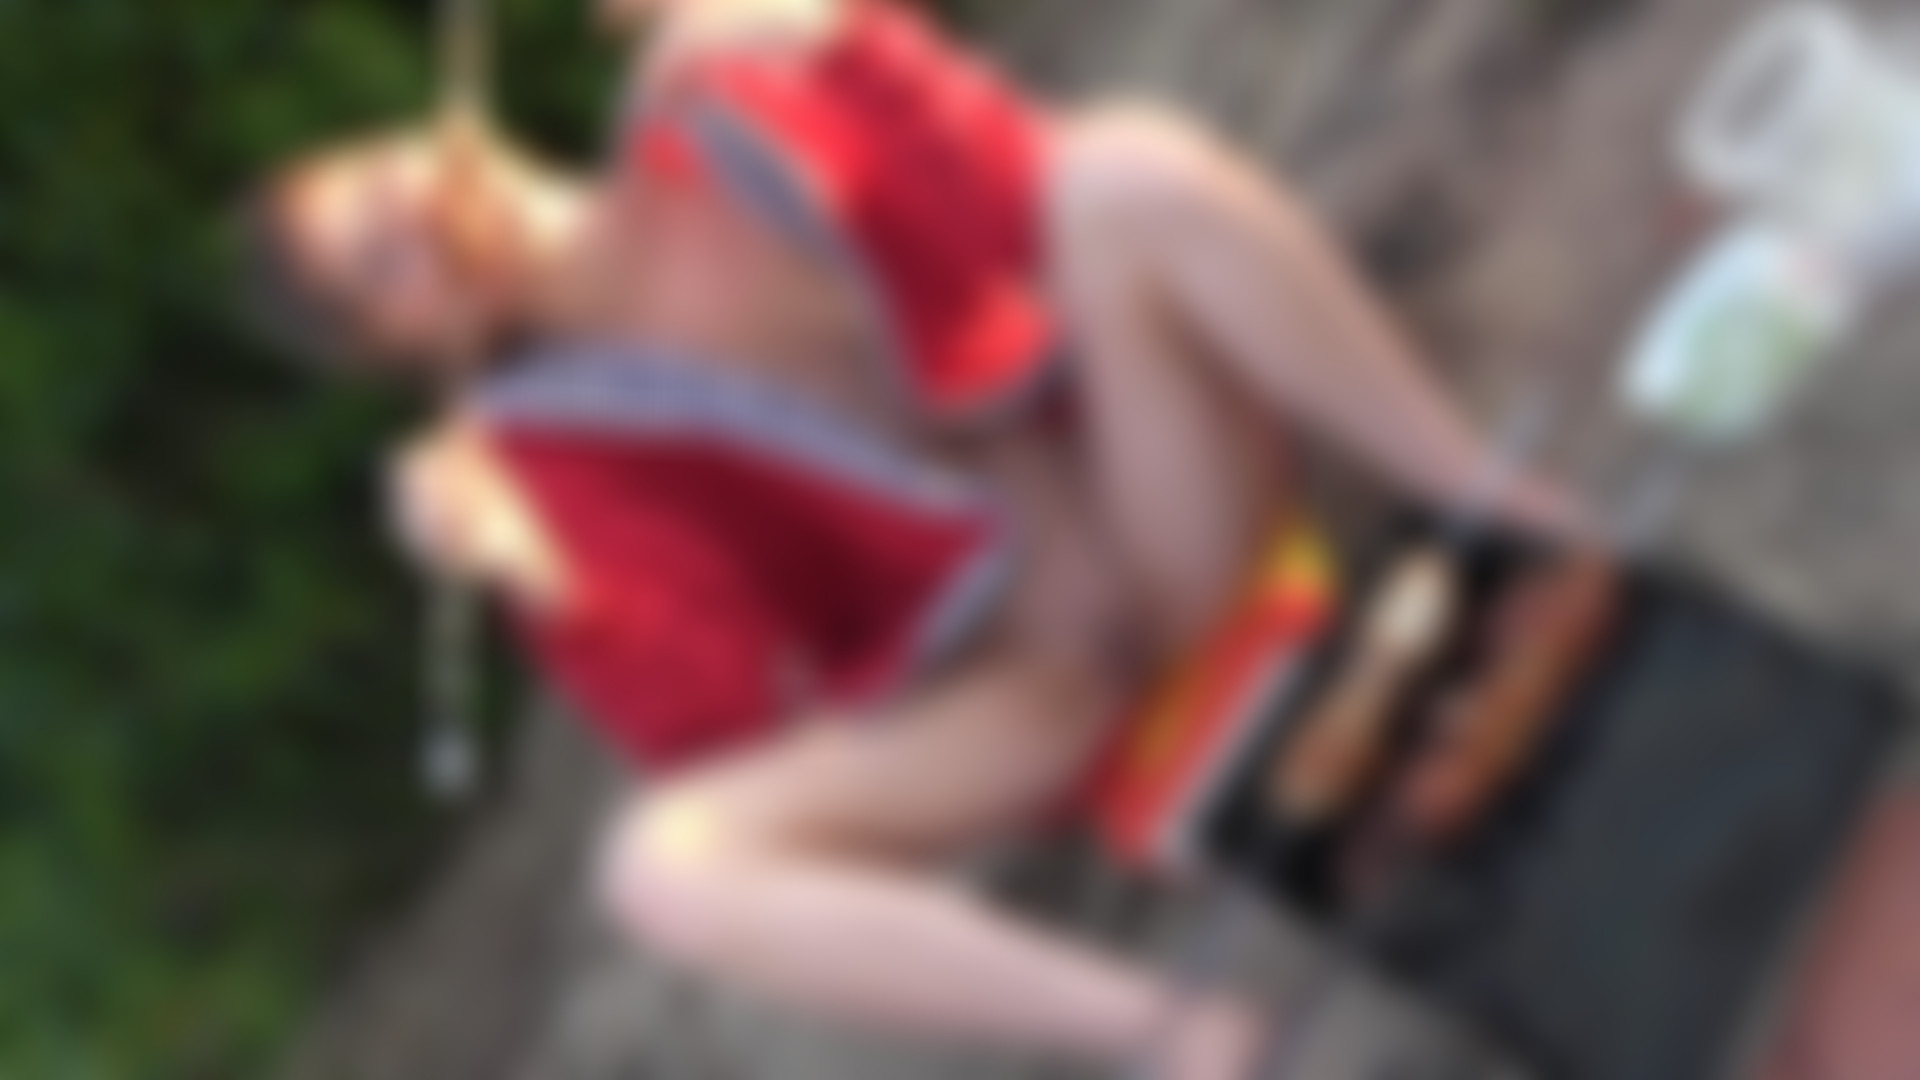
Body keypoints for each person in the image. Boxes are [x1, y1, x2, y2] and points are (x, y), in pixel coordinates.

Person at [241, 1, 1584, 1074]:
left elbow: (1007, 179)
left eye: (381, 181)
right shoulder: (541, 466)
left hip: (1156, 510)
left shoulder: (713, 95)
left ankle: (1504, 505)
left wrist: (840, 35)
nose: (412, 219)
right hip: (1041, 693)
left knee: (1122, 170)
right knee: (659, 871)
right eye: (381, 269)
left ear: (433, 128)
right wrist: (550, 583)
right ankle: (1175, 1030)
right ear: (409, 352)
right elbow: (728, 722)